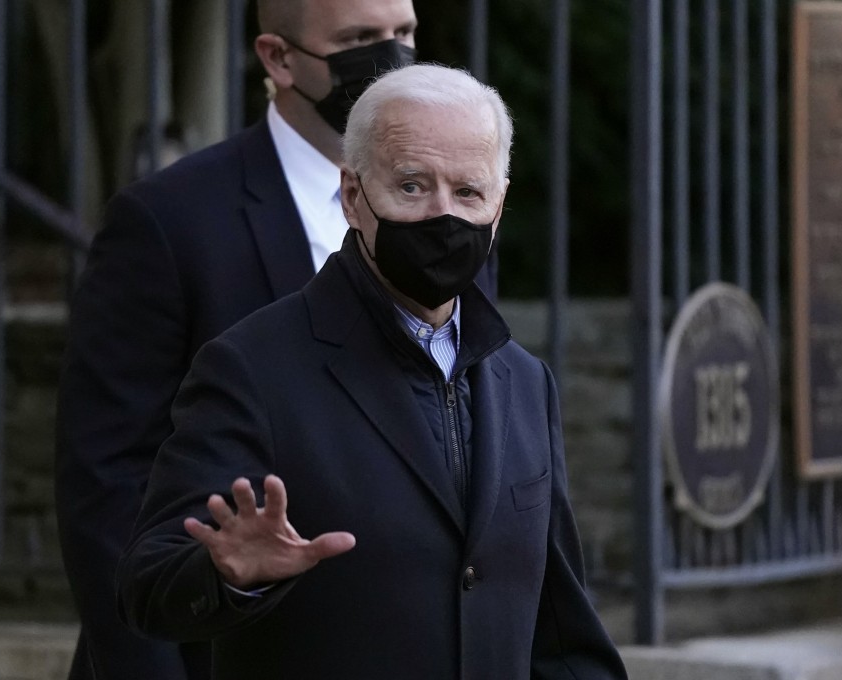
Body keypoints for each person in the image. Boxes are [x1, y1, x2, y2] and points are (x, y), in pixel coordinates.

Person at [116, 63, 626, 680]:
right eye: (412, 186)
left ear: (499, 203)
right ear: (353, 197)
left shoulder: (523, 382)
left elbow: (560, 629)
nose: (445, 216)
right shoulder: (252, 367)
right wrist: (226, 575)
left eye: (468, 192)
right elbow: (148, 585)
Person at [56, 2, 501, 679]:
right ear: (277, 59)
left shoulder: (454, 220)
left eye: (404, 33)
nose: (391, 57)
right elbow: (106, 487)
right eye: (359, 40)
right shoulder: (168, 224)